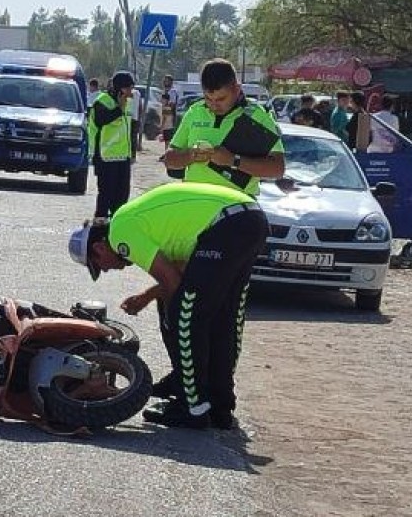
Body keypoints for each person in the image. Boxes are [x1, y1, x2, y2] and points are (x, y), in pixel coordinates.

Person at [68, 181, 269, 429]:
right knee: (221, 320)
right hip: (251, 219)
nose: (107, 270)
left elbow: (172, 282)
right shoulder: (138, 220)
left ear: (99, 247)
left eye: (99, 265)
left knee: (186, 315)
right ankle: (219, 406)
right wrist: (147, 297)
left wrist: (175, 326)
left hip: (227, 225)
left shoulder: (121, 232)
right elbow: (186, 271)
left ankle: (191, 406)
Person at [163, 59, 286, 199]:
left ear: (237, 89)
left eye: (221, 99)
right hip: (195, 201)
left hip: (236, 205)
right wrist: (191, 155)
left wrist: (233, 160)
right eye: (208, 98)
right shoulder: (194, 112)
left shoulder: (257, 116)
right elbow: (169, 160)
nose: (214, 105)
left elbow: (277, 169)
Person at [87, 71, 134, 218]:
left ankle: (115, 231)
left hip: (123, 157)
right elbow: (102, 120)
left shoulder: (128, 103)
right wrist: (118, 108)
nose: (130, 92)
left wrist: (132, 153)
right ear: (119, 88)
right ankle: (98, 232)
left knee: (122, 198)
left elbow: (130, 128)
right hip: (105, 157)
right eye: (128, 89)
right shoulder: (102, 101)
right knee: (106, 197)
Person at [160, 75, 179, 153]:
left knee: (169, 137)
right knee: (165, 137)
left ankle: (169, 153)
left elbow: (172, 104)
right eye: (164, 80)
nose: (165, 82)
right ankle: (166, 152)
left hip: (169, 116)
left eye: (167, 80)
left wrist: (167, 105)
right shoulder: (164, 91)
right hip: (164, 113)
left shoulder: (172, 92)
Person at [128, 85, 143, 154]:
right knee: (133, 138)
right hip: (134, 118)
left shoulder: (135, 93)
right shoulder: (137, 93)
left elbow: (140, 106)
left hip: (129, 118)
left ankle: (131, 154)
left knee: (130, 138)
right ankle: (132, 155)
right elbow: (140, 107)